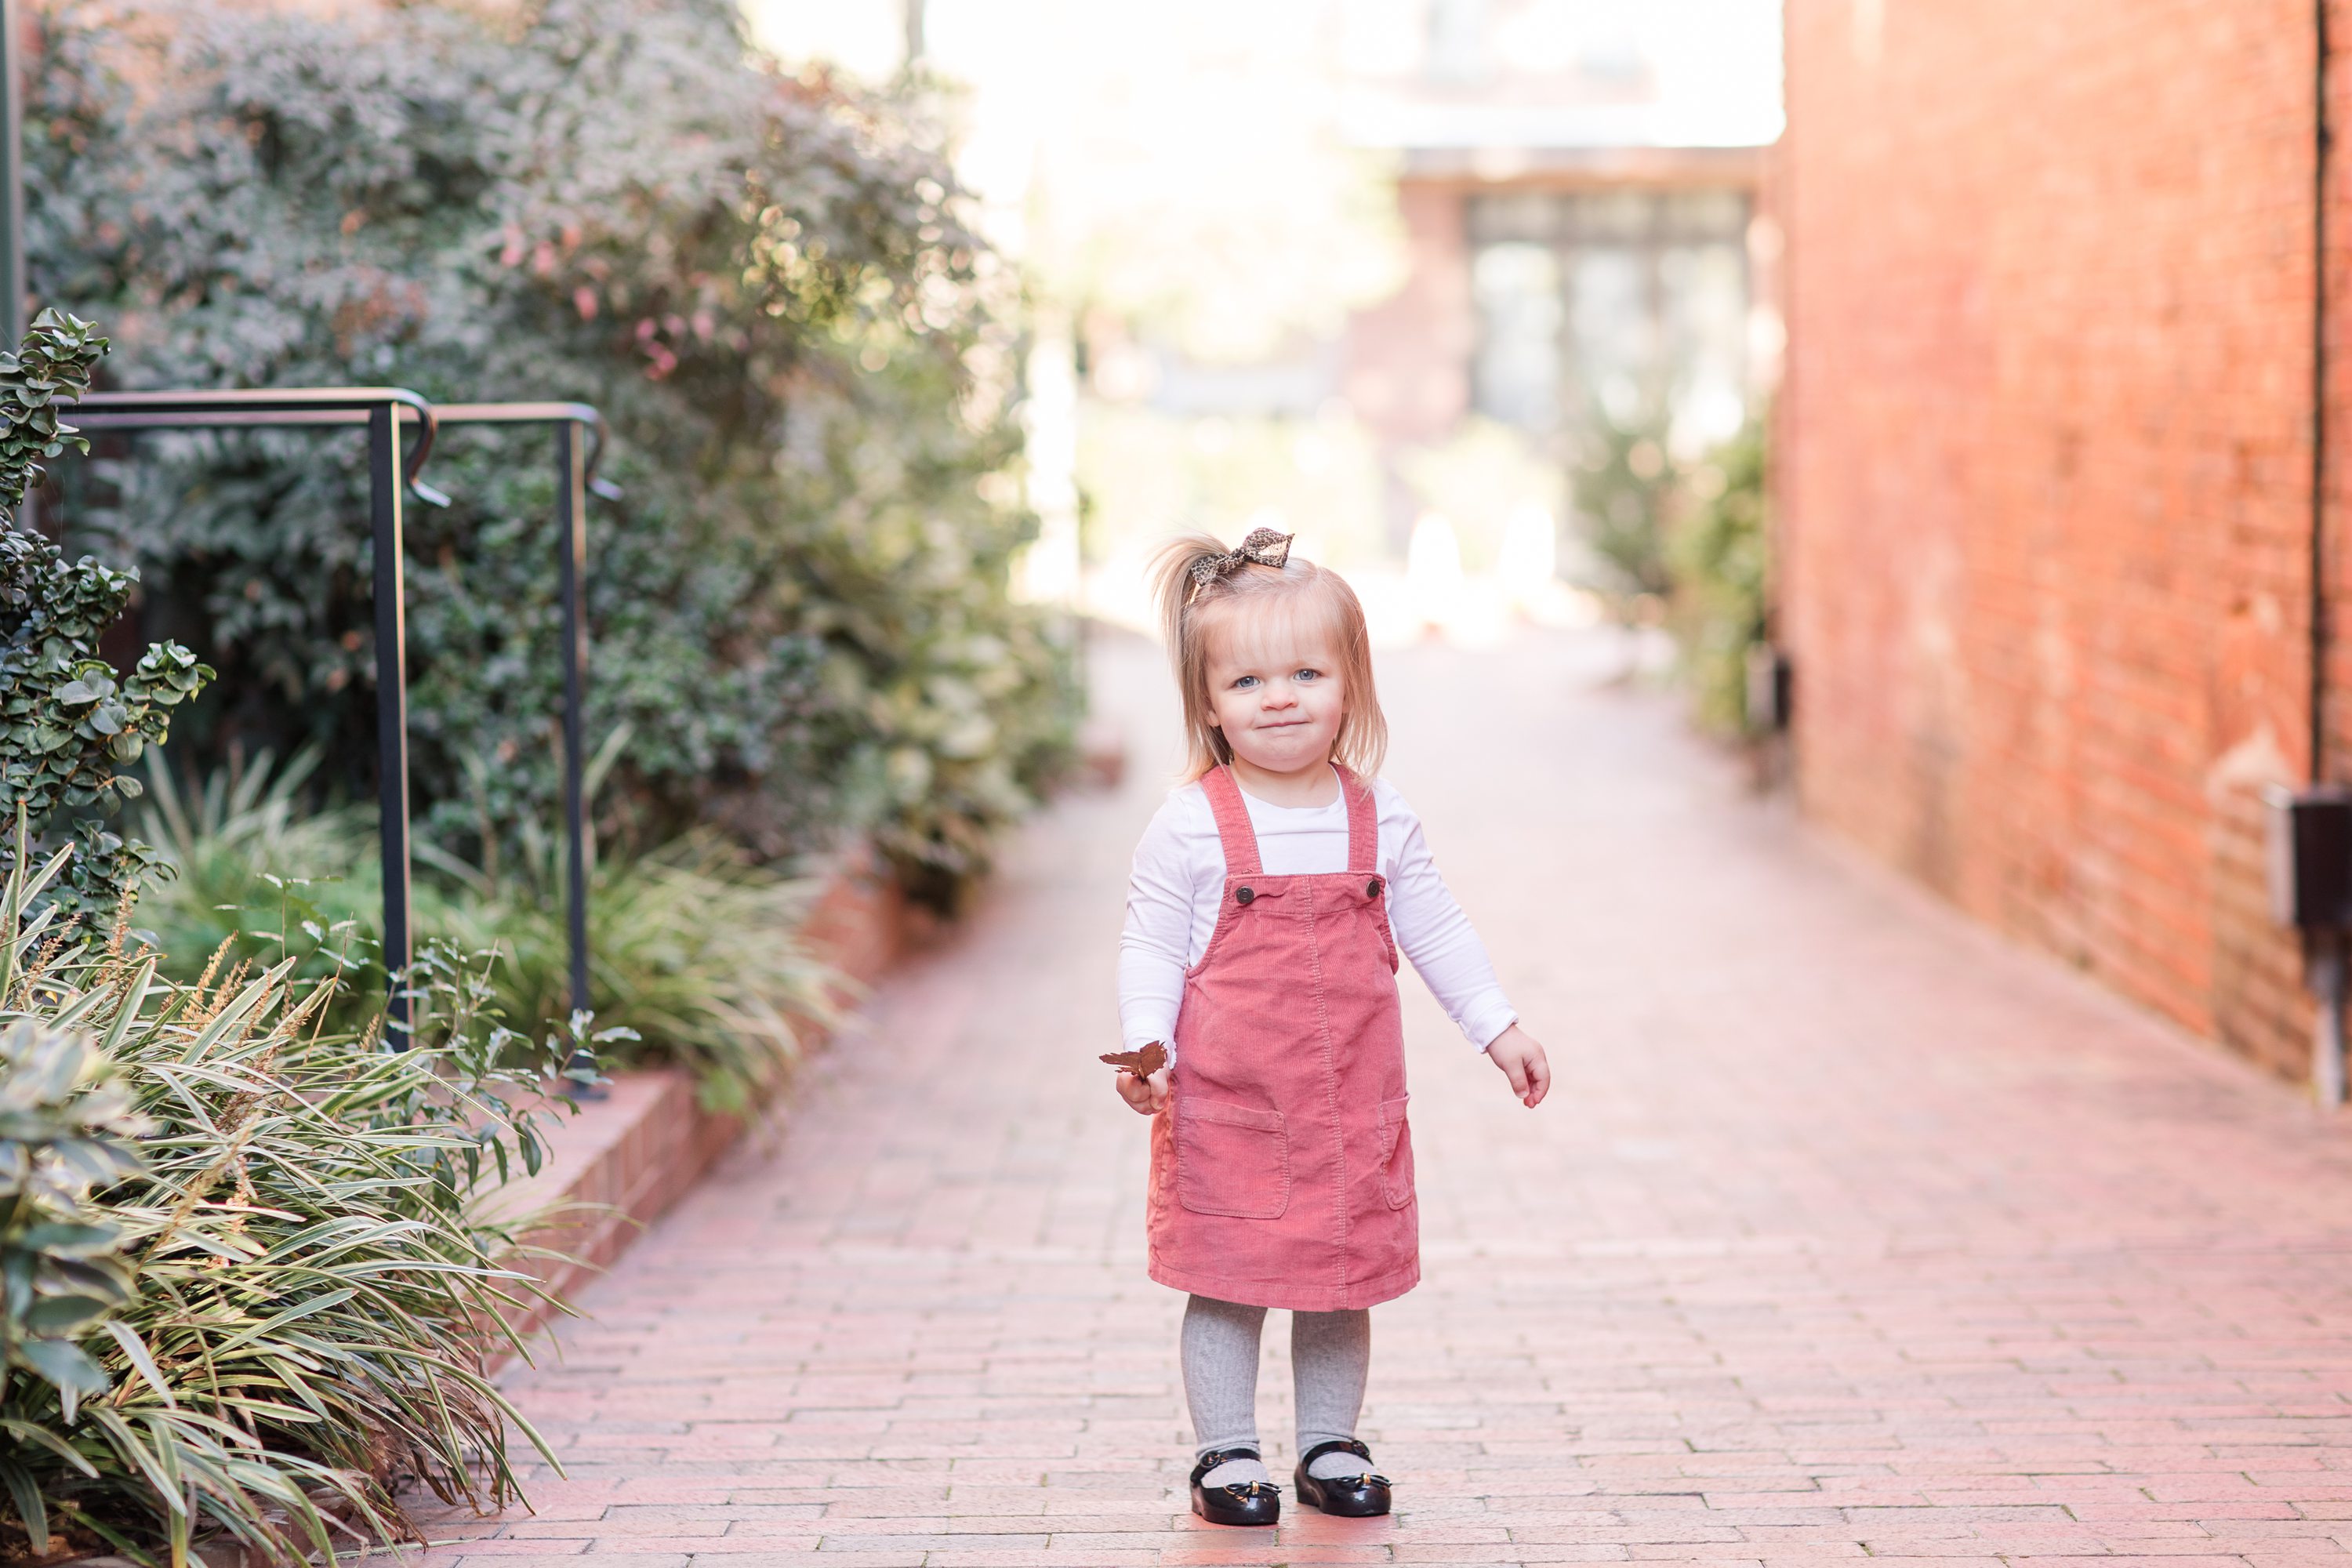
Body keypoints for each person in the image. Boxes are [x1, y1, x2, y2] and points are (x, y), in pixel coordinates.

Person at [1112, 526, 1551, 1527]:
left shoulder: (1377, 815)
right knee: (1227, 1279)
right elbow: (1149, 941)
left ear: (1350, 684)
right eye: (1248, 681)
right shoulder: (1191, 823)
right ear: (1209, 702)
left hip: (1348, 1100)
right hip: (1230, 1103)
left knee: (1337, 1277)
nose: (1279, 697)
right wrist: (1150, 1041)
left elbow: (1435, 925)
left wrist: (1499, 1025)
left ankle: (1328, 1441)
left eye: (1307, 671)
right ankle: (1225, 1451)